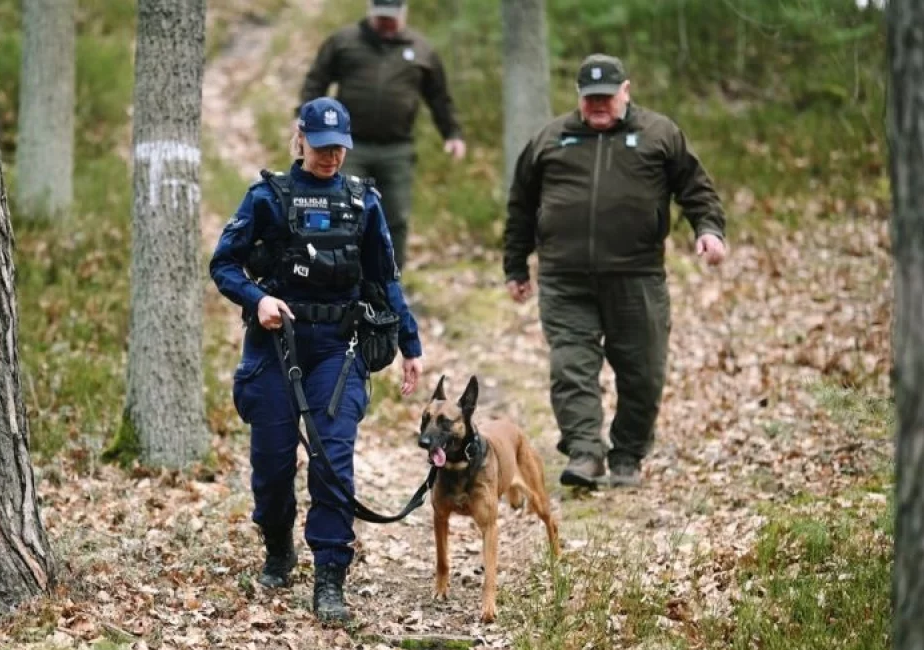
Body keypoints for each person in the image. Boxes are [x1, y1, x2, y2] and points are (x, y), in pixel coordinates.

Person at [210, 97, 424, 624]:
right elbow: (224, 264)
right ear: (300, 138)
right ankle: (278, 546)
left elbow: (384, 279)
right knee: (273, 466)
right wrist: (257, 300)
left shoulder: (362, 202)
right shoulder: (267, 197)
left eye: (340, 149)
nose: (331, 158)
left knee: (333, 460)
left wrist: (410, 344)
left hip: (339, 347)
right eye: (323, 147)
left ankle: (330, 577)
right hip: (276, 347)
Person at [503, 54, 728, 490]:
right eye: (590, 100)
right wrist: (516, 264)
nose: (598, 106)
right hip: (564, 278)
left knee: (643, 371)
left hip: (637, 276)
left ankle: (627, 454)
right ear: (578, 98)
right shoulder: (551, 139)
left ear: (626, 91)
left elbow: (696, 188)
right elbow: (521, 207)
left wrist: (709, 229)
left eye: (607, 97)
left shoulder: (659, 135)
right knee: (571, 366)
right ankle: (585, 452)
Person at [298, 0, 467, 272]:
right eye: (381, 18)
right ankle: (335, 273)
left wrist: (452, 133)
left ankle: (389, 279)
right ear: (370, 11)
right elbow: (316, 80)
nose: (386, 23)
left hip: (397, 149)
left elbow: (439, 97)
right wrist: (304, 119)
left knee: (395, 216)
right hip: (347, 146)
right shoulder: (344, 42)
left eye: (391, 18)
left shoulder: (421, 50)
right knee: (340, 208)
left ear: (404, 13)